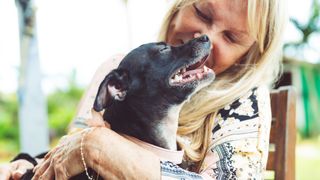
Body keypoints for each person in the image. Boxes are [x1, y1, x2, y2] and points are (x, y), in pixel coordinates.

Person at [0, 0, 286, 179]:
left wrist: (97, 146)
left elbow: (85, 147)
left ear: (249, 53)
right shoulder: (120, 68)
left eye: (232, 36)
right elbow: (65, 156)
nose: (207, 38)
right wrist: (19, 166)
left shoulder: (244, 102)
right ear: (179, 7)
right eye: (201, 12)